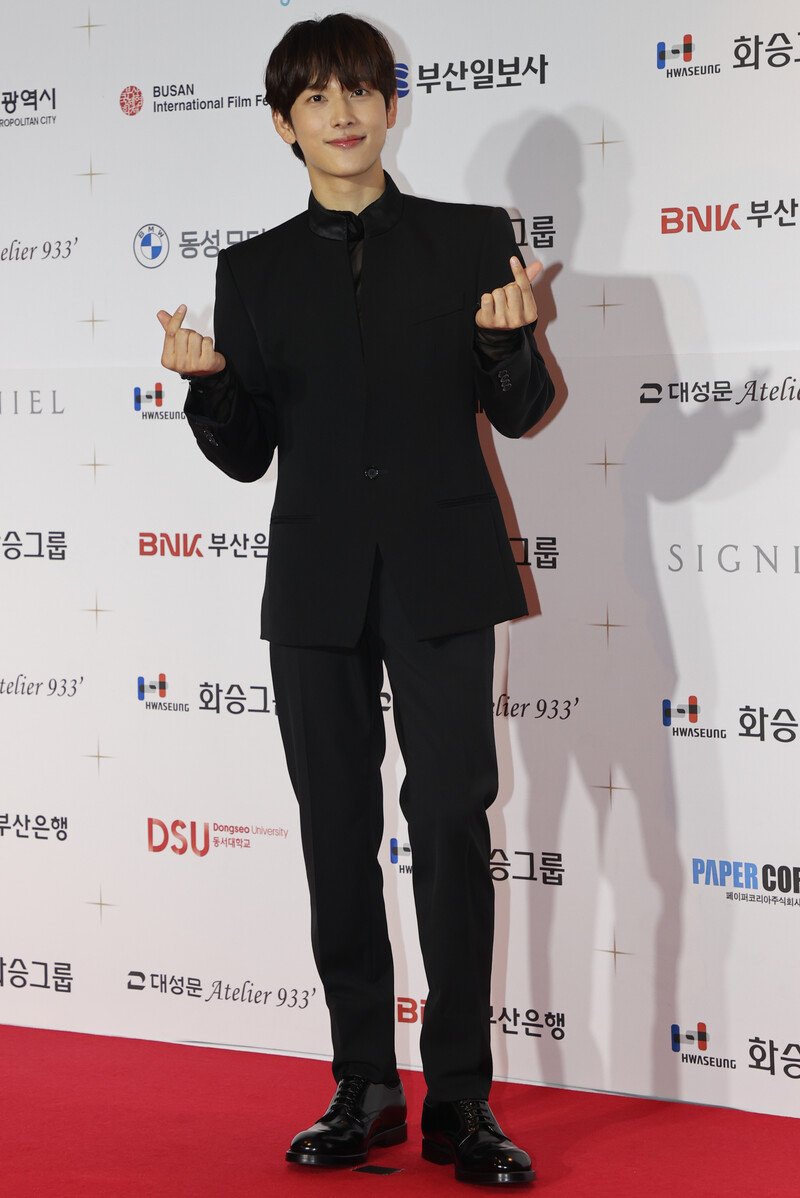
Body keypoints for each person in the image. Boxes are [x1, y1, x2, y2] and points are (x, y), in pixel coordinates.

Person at [157, 13, 553, 1187]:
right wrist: (209, 387)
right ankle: (363, 1084)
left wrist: (507, 346)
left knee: (449, 821)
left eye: (360, 90)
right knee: (335, 827)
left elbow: (522, 409)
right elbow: (247, 454)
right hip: (315, 583)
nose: (342, 112)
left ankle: (461, 1101)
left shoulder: (470, 239)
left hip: (442, 572)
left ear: (389, 105)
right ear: (285, 124)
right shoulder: (253, 269)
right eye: (316, 98)